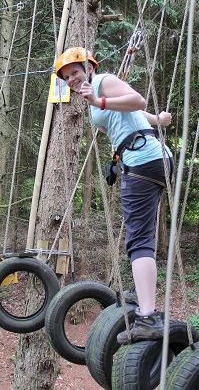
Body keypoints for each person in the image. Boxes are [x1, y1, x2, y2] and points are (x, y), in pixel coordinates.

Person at [54, 46, 174, 344]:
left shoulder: (102, 82)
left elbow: (137, 99)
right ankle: (143, 296)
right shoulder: (93, 92)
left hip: (143, 161)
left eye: (75, 72)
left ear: (89, 68)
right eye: (66, 77)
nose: (71, 79)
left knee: (138, 240)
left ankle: (148, 316)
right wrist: (157, 119)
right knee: (142, 235)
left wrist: (99, 100)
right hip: (151, 159)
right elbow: (136, 110)